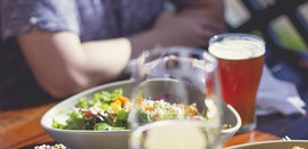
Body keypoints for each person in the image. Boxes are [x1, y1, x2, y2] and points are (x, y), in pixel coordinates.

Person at [0, 0, 225, 108]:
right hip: (40, 138)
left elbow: (208, 13)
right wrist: (168, 36)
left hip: (157, 110)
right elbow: (66, 75)